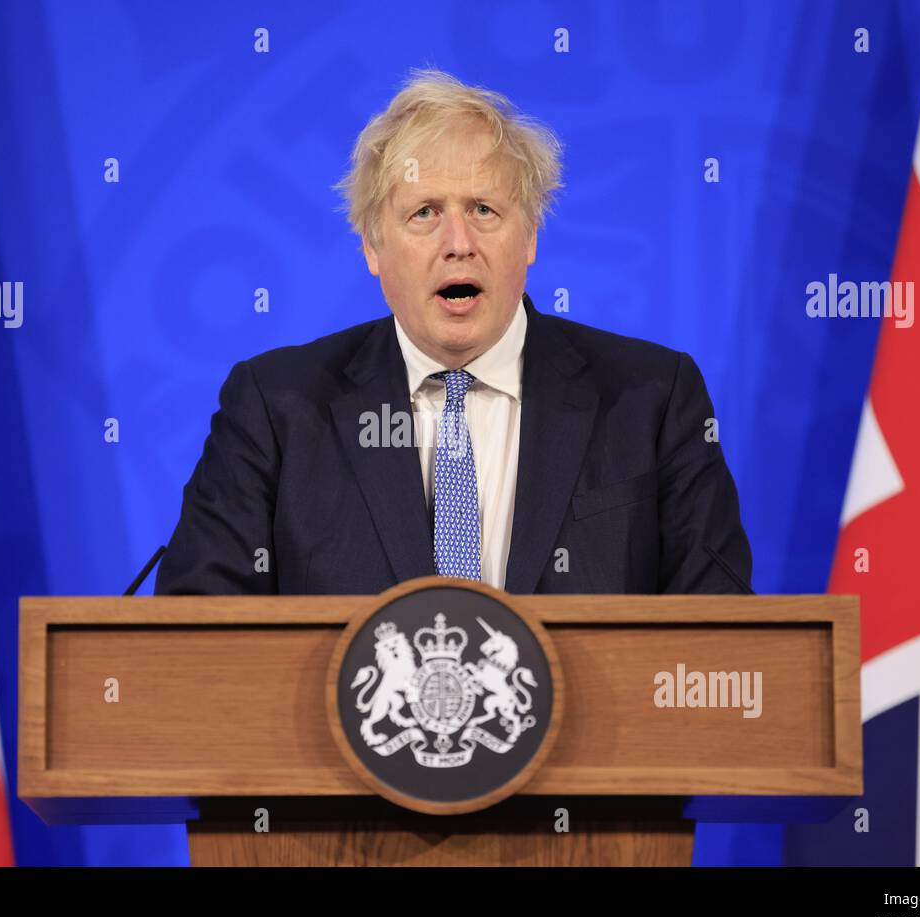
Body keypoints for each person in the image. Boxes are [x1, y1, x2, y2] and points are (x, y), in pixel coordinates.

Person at [156, 68, 751, 596]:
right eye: (424, 213)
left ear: (532, 237)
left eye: (484, 210)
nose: (458, 244)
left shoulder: (652, 399)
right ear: (372, 246)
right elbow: (199, 642)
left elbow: (720, 635)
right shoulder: (276, 407)